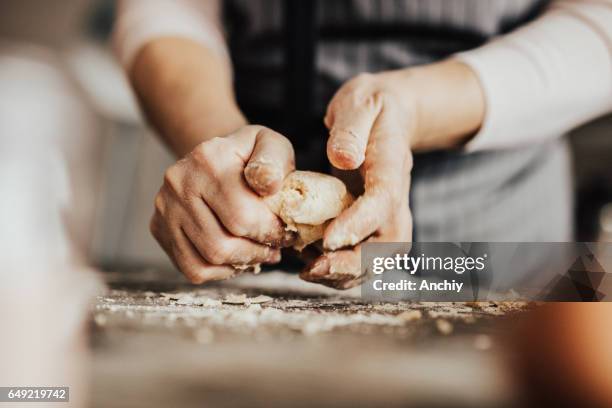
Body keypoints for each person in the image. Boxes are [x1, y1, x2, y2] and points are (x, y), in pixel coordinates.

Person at [114, 0, 612, 289]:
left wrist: (415, 104)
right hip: (242, 223)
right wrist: (219, 142)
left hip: (497, 237)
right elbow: (167, 9)